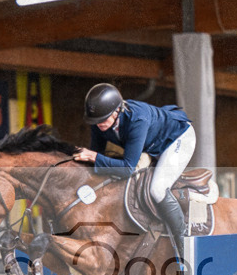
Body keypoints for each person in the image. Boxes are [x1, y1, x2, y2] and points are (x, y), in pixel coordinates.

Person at [73, 83, 195, 260]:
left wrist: (93, 157)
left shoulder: (137, 120)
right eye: (95, 121)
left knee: (157, 189)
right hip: (149, 145)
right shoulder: (99, 120)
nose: (99, 124)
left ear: (117, 111)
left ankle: (184, 242)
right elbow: (98, 161)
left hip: (177, 139)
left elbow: (126, 167)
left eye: (103, 119)